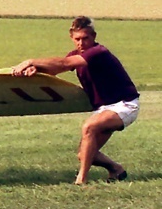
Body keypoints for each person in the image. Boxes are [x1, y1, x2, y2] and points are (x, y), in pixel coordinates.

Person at [11, 16, 139, 185]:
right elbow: (57, 68)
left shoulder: (98, 52)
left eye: (85, 38)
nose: (81, 43)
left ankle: (81, 181)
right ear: (71, 38)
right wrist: (36, 69)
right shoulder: (75, 55)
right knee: (84, 154)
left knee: (89, 127)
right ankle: (116, 169)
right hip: (104, 109)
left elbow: (64, 63)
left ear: (93, 36)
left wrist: (29, 61)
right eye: (77, 39)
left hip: (125, 105)